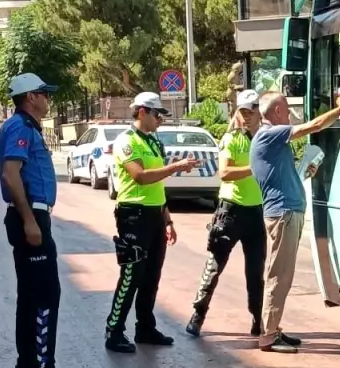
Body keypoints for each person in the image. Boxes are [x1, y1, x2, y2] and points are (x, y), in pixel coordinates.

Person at [250, 91, 340, 354]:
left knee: (281, 275)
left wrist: (304, 171)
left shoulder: (270, 141)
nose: (292, 114)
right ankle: (269, 335)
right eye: (287, 109)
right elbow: (314, 126)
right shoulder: (270, 133)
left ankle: (273, 329)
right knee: (278, 276)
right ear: (278, 112)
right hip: (283, 214)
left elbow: (281, 176)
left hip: (284, 212)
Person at [0, 73, 73, 368]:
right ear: (29, 97)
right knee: (44, 295)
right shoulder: (20, 128)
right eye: (43, 93)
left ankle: (27, 366)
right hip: (30, 215)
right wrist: (30, 220)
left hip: (33, 214)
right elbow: (11, 174)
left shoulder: (24, 128)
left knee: (31, 296)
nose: (47, 98)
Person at [105, 92, 199, 354]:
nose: (161, 120)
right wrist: (176, 167)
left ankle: (145, 327)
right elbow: (141, 177)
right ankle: (114, 330)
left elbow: (157, 185)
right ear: (142, 112)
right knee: (131, 275)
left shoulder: (154, 142)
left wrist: (167, 218)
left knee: (152, 276)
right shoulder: (127, 141)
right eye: (158, 114)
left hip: (155, 214)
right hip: (133, 215)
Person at [186, 90, 266, 338]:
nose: (247, 116)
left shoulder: (265, 138)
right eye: (243, 111)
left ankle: (258, 318)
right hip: (230, 211)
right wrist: (253, 169)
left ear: (259, 112)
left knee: (256, 272)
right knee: (214, 265)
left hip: (256, 212)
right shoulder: (231, 139)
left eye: (251, 111)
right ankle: (198, 314)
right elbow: (225, 172)